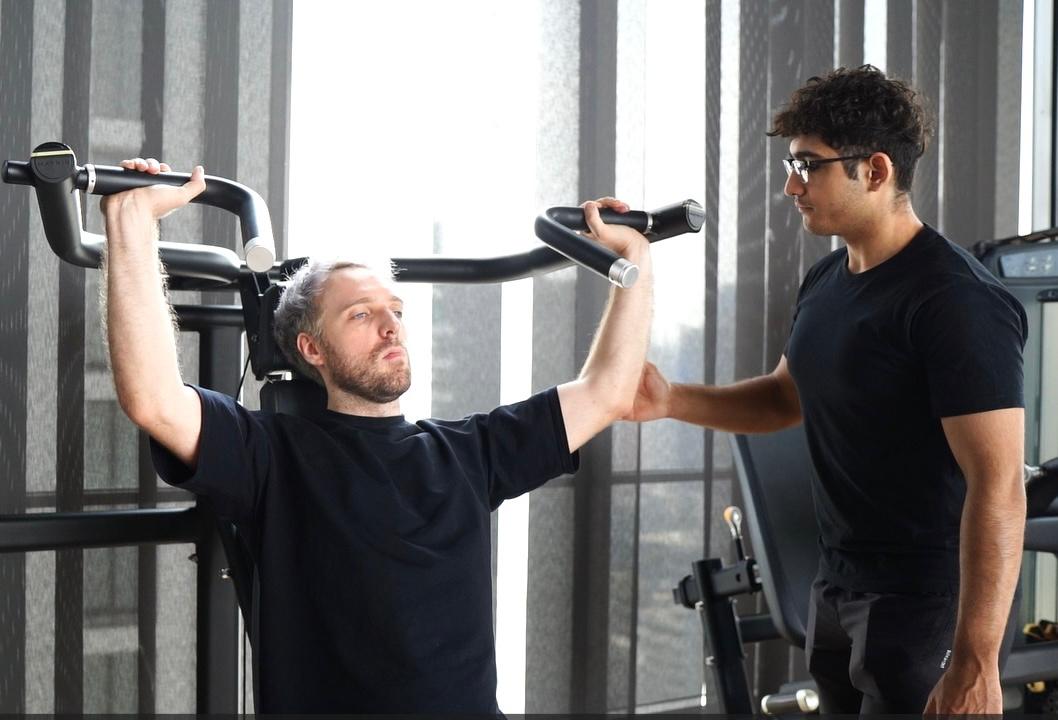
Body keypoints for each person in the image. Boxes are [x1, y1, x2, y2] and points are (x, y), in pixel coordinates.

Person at [101, 157, 653, 713]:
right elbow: (153, 397)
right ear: (312, 349)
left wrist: (637, 257)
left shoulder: (468, 451)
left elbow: (608, 391)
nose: (391, 326)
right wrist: (133, 228)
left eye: (395, 310)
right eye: (361, 315)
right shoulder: (272, 454)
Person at [628, 65, 1027, 713]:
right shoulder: (826, 282)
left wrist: (977, 660)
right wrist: (670, 399)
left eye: (808, 166)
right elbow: (786, 399)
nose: (790, 186)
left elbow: (1000, 485)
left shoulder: (954, 301)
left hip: (929, 604)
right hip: (839, 586)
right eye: (791, 164)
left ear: (873, 171)